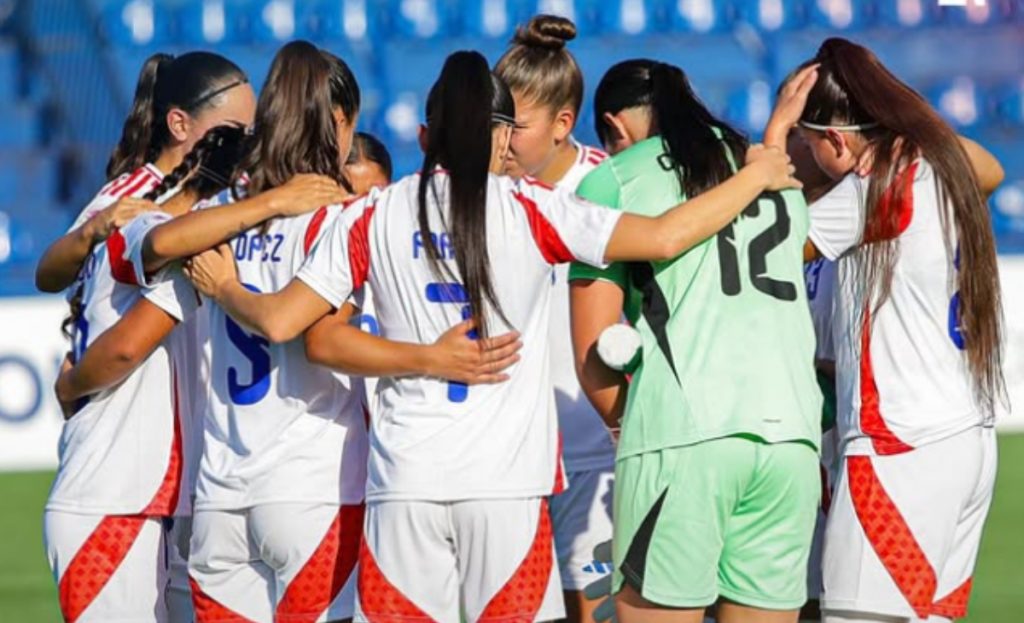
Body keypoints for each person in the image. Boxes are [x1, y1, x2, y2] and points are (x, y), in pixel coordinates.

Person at [181, 50, 800, 622]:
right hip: (505, 489)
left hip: (406, 487)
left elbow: (310, 335)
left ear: (424, 136)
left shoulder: (372, 212)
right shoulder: (531, 206)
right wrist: (754, 176)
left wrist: (419, 357)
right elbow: (665, 237)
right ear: (503, 136)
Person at [568, 60, 822, 623]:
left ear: (614, 127)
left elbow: (592, 351)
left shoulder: (614, 179)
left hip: (683, 436)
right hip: (791, 442)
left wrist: (627, 427)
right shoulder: (772, 171)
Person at [765, 38, 1006, 623]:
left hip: (898, 445)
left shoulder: (870, 189)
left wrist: (771, 142)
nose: (799, 146)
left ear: (838, 140)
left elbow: (760, 253)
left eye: (805, 133)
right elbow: (991, 168)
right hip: (966, 437)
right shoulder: (940, 167)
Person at [41, 51, 256, 623]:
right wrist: (75, 385)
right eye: (233, 133)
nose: (243, 147)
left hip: (172, 494)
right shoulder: (142, 201)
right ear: (180, 124)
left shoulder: (203, 203)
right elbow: (119, 334)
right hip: (117, 488)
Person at [494, 16, 615, 620]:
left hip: (593, 450)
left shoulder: (610, 187)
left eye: (514, 126)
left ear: (563, 123)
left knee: (591, 608)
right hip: (508, 455)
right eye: (494, 123)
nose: (500, 139)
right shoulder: (478, 191)